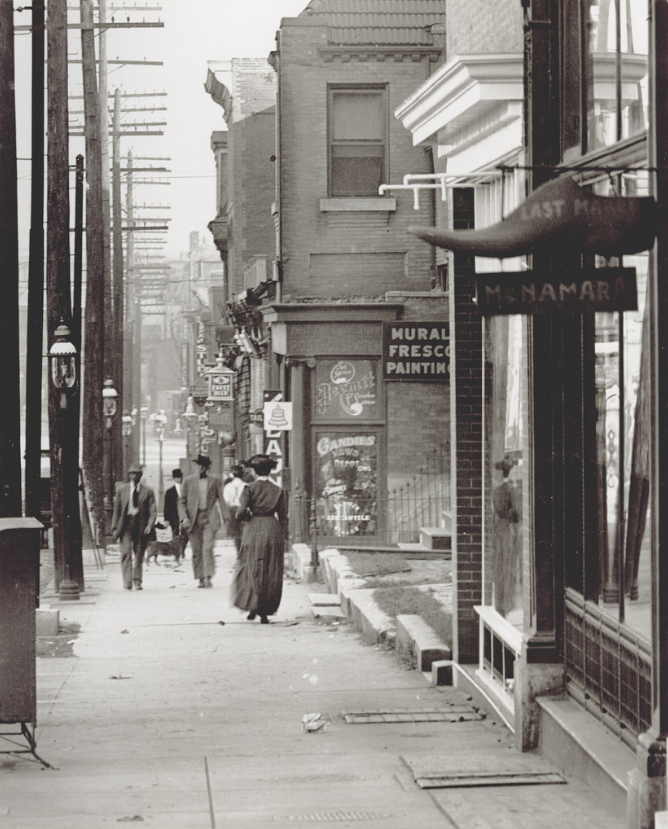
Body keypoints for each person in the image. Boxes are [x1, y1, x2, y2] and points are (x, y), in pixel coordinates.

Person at [232, 454, 287, 624]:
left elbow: (240, 513)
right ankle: (265, 611)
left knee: (251, 566)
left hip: (254, 529)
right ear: (270, 471)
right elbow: (284, 517)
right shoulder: (279, 490)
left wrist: (248, 516)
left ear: (255, 471)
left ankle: (252, 606)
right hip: (272, 529)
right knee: (270, 570)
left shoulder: (249, 488)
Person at [179, 454, 225, 588]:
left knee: (208, 548)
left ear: (206, 467)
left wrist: (226, 518)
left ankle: (208, 576)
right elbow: (181, 501)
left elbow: (221, 500)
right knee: (197, 550)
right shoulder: (188, 481)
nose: (200, 468)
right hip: (193, 519)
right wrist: (184, 518)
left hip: (209, 519)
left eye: (203, 466)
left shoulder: (214, 481)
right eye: (198, 465)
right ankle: (200, 577)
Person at [111, 462, 157, 590]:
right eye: (131, 474)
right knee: (126, 552)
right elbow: (117, 510)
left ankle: (137, 581)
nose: (134, 476)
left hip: (141, 525)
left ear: (140, 475)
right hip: (126, 525)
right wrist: (114, 528)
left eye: (136, 474)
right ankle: (127, 581)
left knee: (139, 554)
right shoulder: (122, 490)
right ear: (129, 475)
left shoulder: (148, 491)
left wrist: (150, 525)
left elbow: (153, 510)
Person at [223, 464, 247, 558]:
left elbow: (226, 501)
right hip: (243, 509)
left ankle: (238, 552)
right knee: (244, 531)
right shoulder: (246, 485)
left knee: (236, 533)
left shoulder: (228, 486)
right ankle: (243, 550)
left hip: (232, 510)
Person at [163, 468, 186, 561]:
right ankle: (177, 553)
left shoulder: (186, 489)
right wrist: (166, 519)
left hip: (184, 516)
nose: (180, 479)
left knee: (185, 535)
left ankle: (182, 550)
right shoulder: (169, 492)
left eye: (180, 477)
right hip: (174, 517)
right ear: (174, 478)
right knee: (175, 536)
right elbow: (166, 506)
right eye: (177, 477)